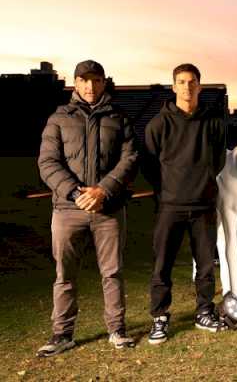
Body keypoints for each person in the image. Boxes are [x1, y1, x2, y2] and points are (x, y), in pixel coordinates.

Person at [35, 60, 138, 356]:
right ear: (76, 84)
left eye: (96, 80)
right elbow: (47, 162)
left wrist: (103, 190)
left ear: (104, 83)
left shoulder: (119, 117)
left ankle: (117, 331)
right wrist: (75, 191)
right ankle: (62, 334)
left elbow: (129, 159)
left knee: (112, 272)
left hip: (109, 208)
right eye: (84, 81)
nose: (90, 86)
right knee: (65, 274)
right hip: (68, 209)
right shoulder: (58, 118)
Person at [143, 63, 226, 343]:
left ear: (199, 86)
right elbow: (150, 165)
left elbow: (218, 161)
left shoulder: (213, 122)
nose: (187, 87)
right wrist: (167, 191)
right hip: (170, 207)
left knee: (205, 265)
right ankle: (160, 316)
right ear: (174, 86)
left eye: (192, 82)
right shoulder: (159, 124)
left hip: (203, 206)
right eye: (181, 82)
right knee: (162, 265)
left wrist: (203, 185)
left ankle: (204, 311)